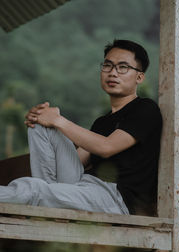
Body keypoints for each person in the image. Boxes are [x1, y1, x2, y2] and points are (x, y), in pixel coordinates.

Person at [0, 39, 162, 215]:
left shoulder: (146, 108)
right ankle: (48, 200)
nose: (113, 73)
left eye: (123, 67)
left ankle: (41, 196)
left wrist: (58, 120)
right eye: (108, 65)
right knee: (40, 124)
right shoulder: (102, 121)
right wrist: (44, 118)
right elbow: (77, 161)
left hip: (113, 198)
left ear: (139, 77)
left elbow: (107, 147)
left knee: (32, 188)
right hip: (83, 186)